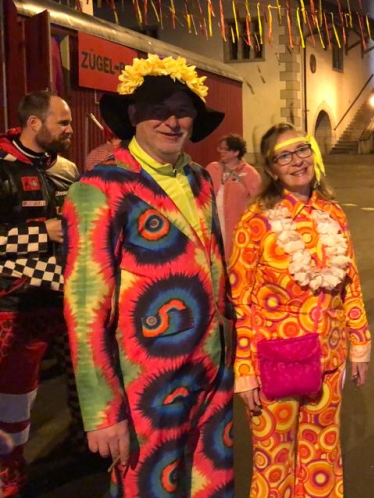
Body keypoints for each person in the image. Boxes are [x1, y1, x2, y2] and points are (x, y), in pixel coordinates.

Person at [62, 54, 234, 496]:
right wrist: (103, 412)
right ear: (134, 114)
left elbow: (216, 268)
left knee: (211, 486)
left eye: (183, 111)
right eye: (159, 109)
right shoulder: (98, 189)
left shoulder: (200, 178)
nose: (172, 121)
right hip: (147, 389)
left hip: (212, 373)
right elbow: (84, 310)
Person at [229, 123, 371, 498]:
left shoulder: (333, 213)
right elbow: (240, 299)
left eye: (302, 150)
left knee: (322, 459)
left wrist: (359, 345)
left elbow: (351, 283)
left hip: (330, 357)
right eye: (284, 156)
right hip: (276, 362)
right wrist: (244, 371)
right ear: (271, 169)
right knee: (273, 467)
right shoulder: (255, 221)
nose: (297, 161)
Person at [0, 91, 78, 496]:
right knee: (15, 397)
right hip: (15, 303)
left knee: (82, 381)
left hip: (66, 297)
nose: (70, 129)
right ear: (34, 123)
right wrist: (41, 233)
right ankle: (8, 474)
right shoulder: (2, 167)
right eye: (63, 122)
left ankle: (84, 445)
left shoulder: (67, 169)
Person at [207, 133, 261, 259]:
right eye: (220, 148)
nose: (221, 152)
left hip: (236, 227)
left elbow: (259, 203)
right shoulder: (212, 168)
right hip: (213, 224)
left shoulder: (250, 173)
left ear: (236, 152)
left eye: (225, 149)